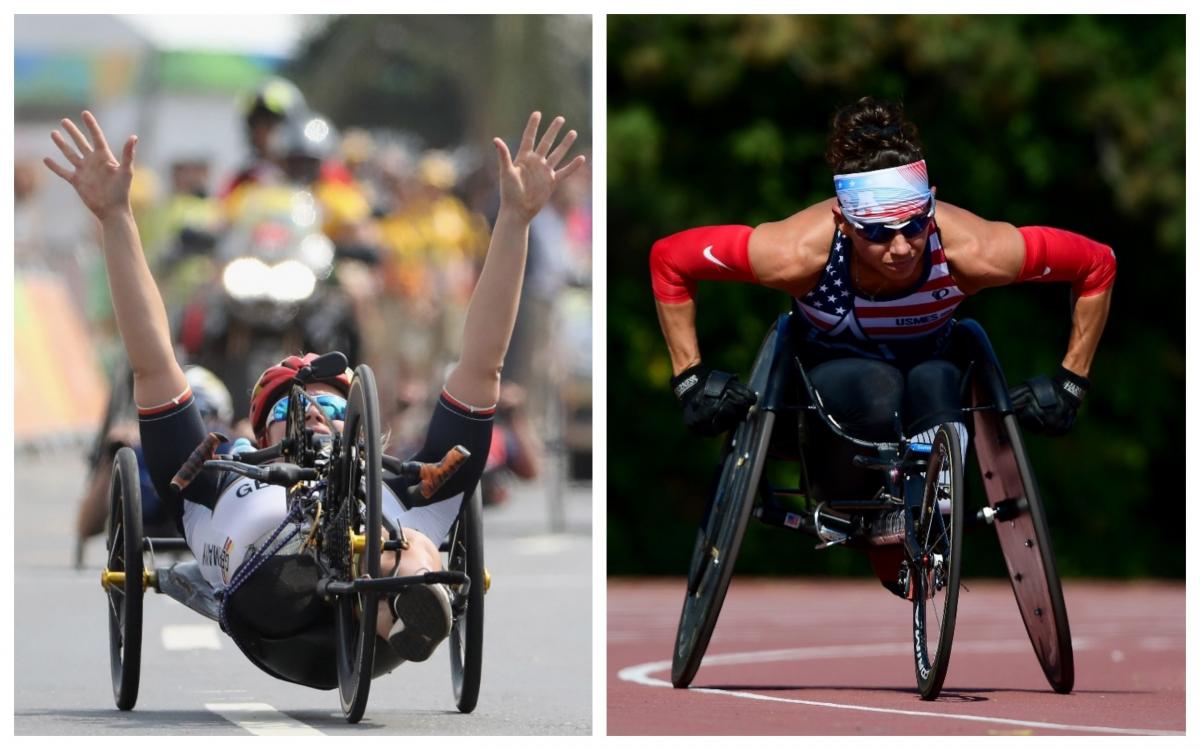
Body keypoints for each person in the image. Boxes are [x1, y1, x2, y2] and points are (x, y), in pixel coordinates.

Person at [46, 109, 583, 661]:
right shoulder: (210, 482)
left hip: (377, 619)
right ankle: (395, 591)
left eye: (330, 401)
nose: (313, 410)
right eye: (288, 404)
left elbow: (481, 365)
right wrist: (115, 218)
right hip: (267, 610)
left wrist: (515, 220)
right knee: (388, 543)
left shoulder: (405, 488)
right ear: (256, 435)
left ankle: (411, 606)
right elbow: (155, 364)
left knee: (413, 543)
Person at [649, 96, 1114, 592]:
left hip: (929, 371)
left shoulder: (975, 251)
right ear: (843, 223)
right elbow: (670, 261)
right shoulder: (794, 252)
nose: (900, 248)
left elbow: (1096, 265)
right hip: (830, 385)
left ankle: (926, 510)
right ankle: (869, 510)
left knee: (935, 379)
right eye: (877, 234)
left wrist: (1071, 383)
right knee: (878, 385)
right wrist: (689, 379)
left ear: (930, 204)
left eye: (915, 226)